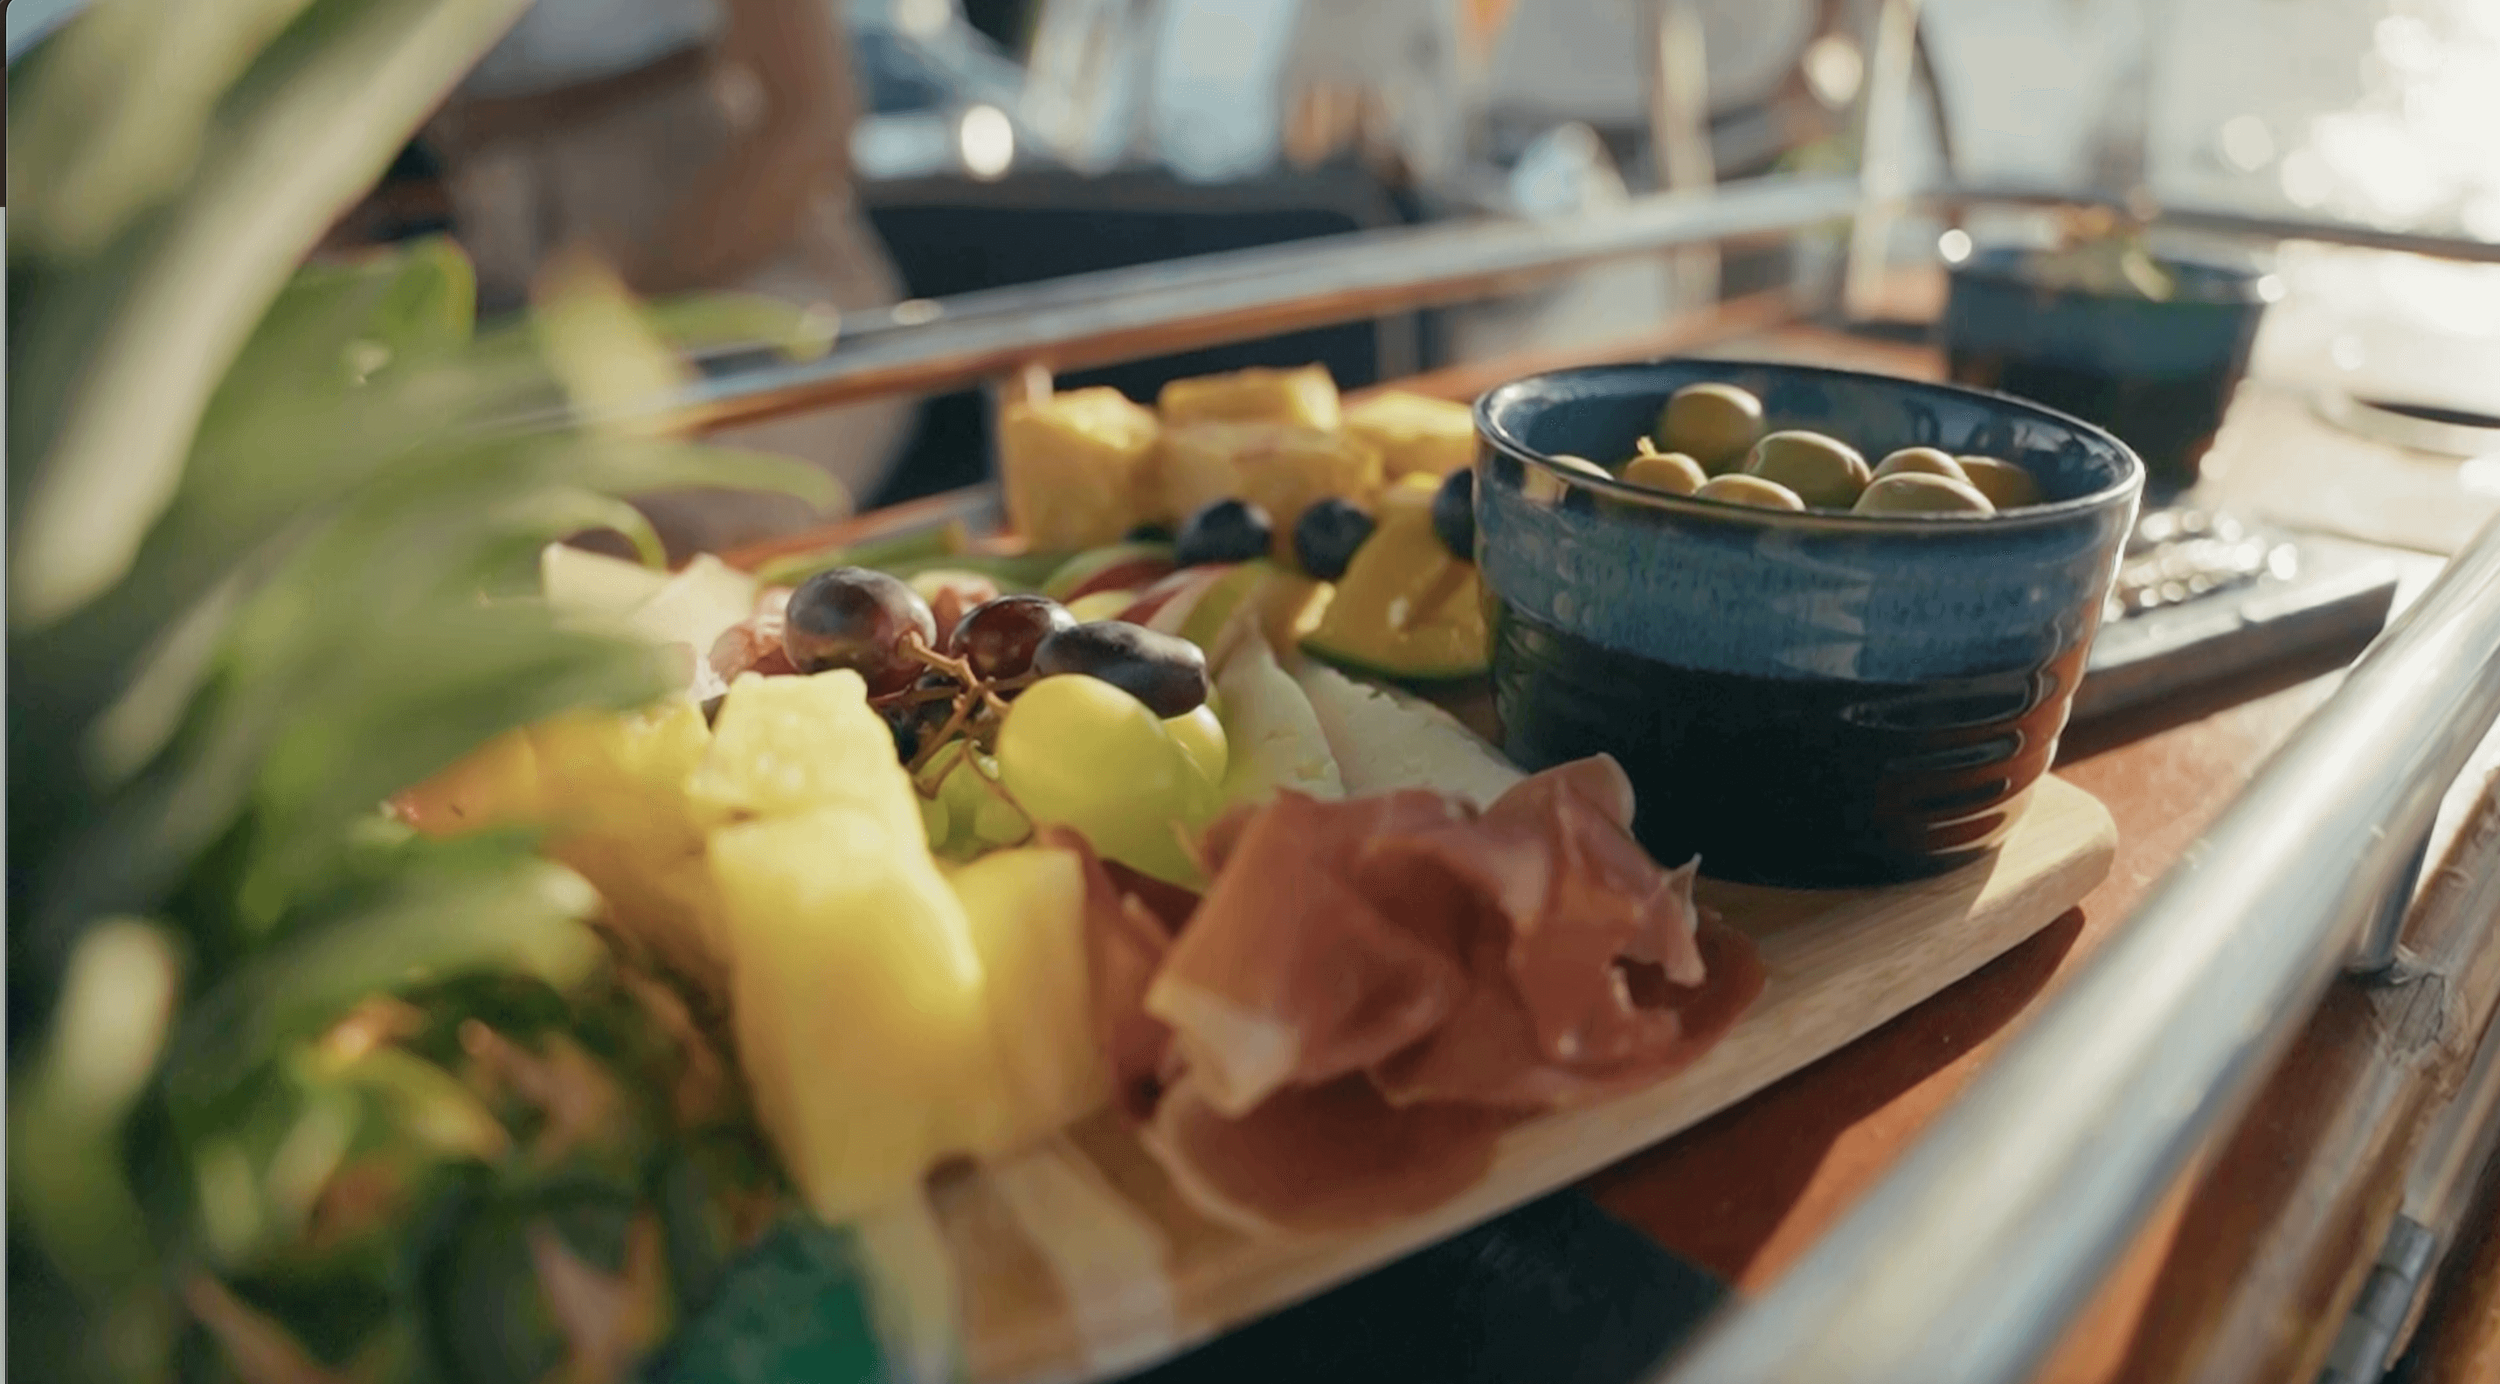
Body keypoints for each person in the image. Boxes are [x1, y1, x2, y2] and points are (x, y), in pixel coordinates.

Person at [424, 0, 918, 556]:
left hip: (734, 255)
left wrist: (618, 290)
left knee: (663, 538)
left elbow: (812, 118)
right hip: (478, 257)